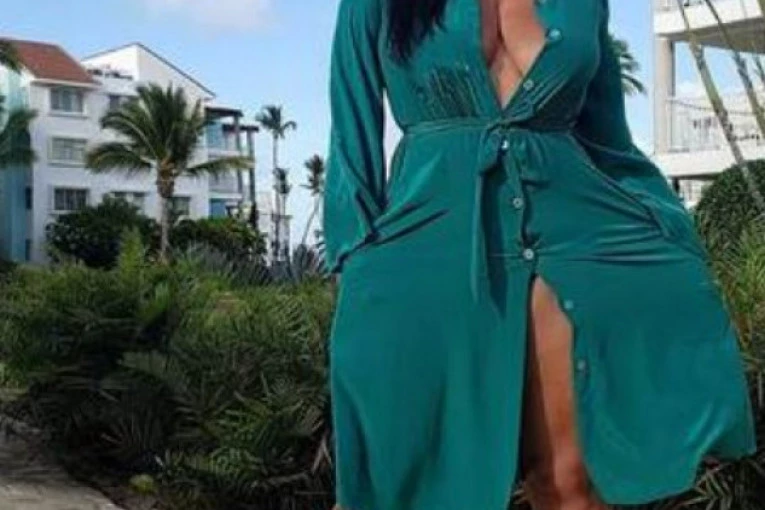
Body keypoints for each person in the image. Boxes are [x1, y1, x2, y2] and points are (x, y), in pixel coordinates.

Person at [322, 0, 757, 508]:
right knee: (403, 487)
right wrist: (353, 255)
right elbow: (351, 134)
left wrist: (671, 227)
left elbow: (609, 139)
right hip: (426, 244)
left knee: (567, 482)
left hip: (573, 236)